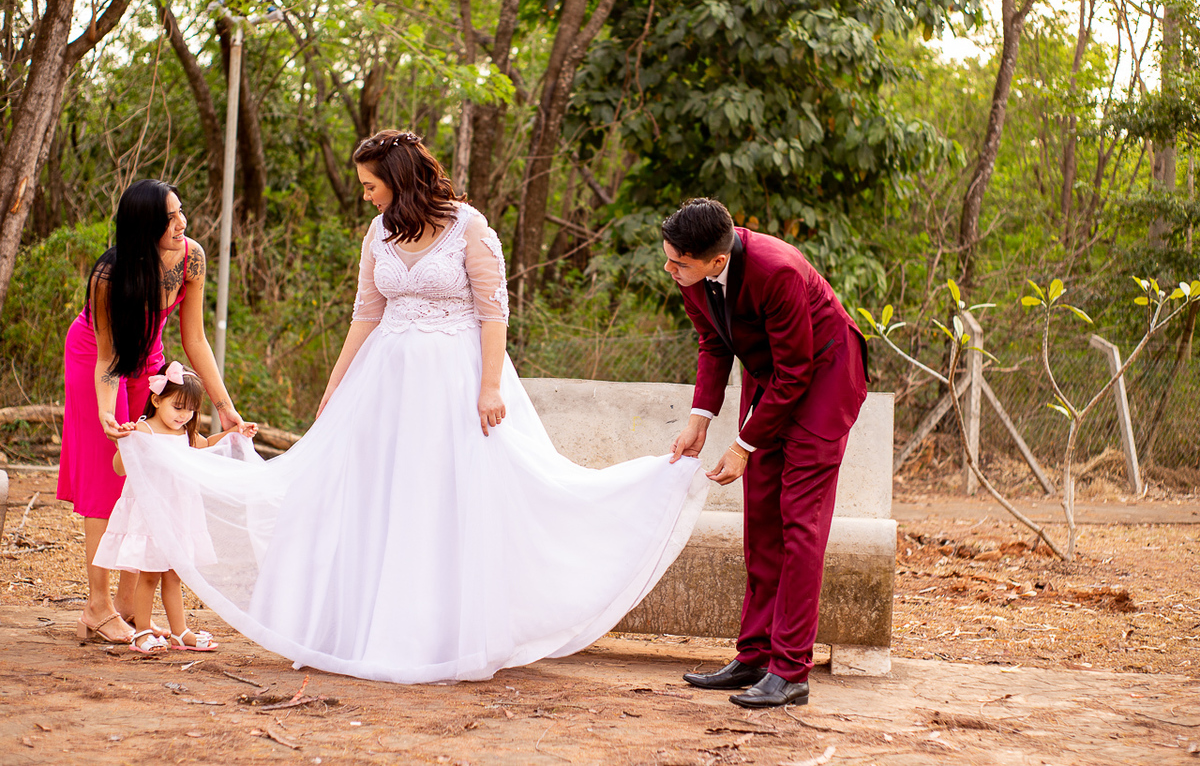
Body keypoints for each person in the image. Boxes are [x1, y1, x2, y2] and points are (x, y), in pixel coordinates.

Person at [109, 130, 708, 684]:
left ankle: (441, 633)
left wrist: (491, 386)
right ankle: (361, 629)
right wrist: (335, 386)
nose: (366, 195)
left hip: (457, 377)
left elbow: (494, 310)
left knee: (446, 498)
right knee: (375, 498)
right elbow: (365, 313)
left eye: (371, 184)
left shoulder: (471, 228)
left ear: (399, 178)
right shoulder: (379, 234)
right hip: (385, 382)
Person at [663, 198, 868, 709]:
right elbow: (714, 345)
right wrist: (699, 421)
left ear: (717, 259)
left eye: (678, 263)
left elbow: (797, 370)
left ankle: (790, 670)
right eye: (667, 257)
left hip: (823, 374)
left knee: (800, 522)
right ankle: (754, 655)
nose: (669, 269)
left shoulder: (778, 269)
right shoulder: (693, 276)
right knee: (761, 518)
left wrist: (742, 444)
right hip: (774, 377)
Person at [59, 179, 247, 645]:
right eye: (169, 217)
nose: (182, 223)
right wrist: (109, 414)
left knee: (149, 473)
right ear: (144, 226)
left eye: (181, 211)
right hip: (95, 357)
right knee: (109, 472)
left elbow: (196, 339)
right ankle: (97, 607)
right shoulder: (109, 275)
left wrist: (224, 408)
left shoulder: (192, 257)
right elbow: (107, 357)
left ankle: (128, 607)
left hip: (150, 358)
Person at [95, 361, 259, 654]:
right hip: (152, 515)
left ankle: (180, 631)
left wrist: (236, 433)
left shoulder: (185, 434)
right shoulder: (143, 430)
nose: (184, 415)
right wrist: (126, 441)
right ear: (157, 400)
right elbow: (119, 469)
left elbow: (207, 444)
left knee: (174, 573)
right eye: (178, 407)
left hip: (179, 514)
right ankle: (142, 631)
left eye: (190, 410)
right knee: (149, 574)